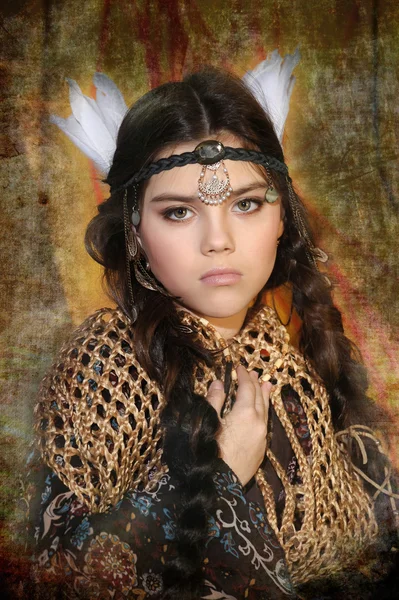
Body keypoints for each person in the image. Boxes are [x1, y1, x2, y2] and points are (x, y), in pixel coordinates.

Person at [24, 53, 398, 600]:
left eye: (246, 203)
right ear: (135, 232)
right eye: (178, 212)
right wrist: (221, 474)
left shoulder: (295, 368)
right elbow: (56, 576)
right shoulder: (107, 369)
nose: (217, 240)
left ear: (282, 218)